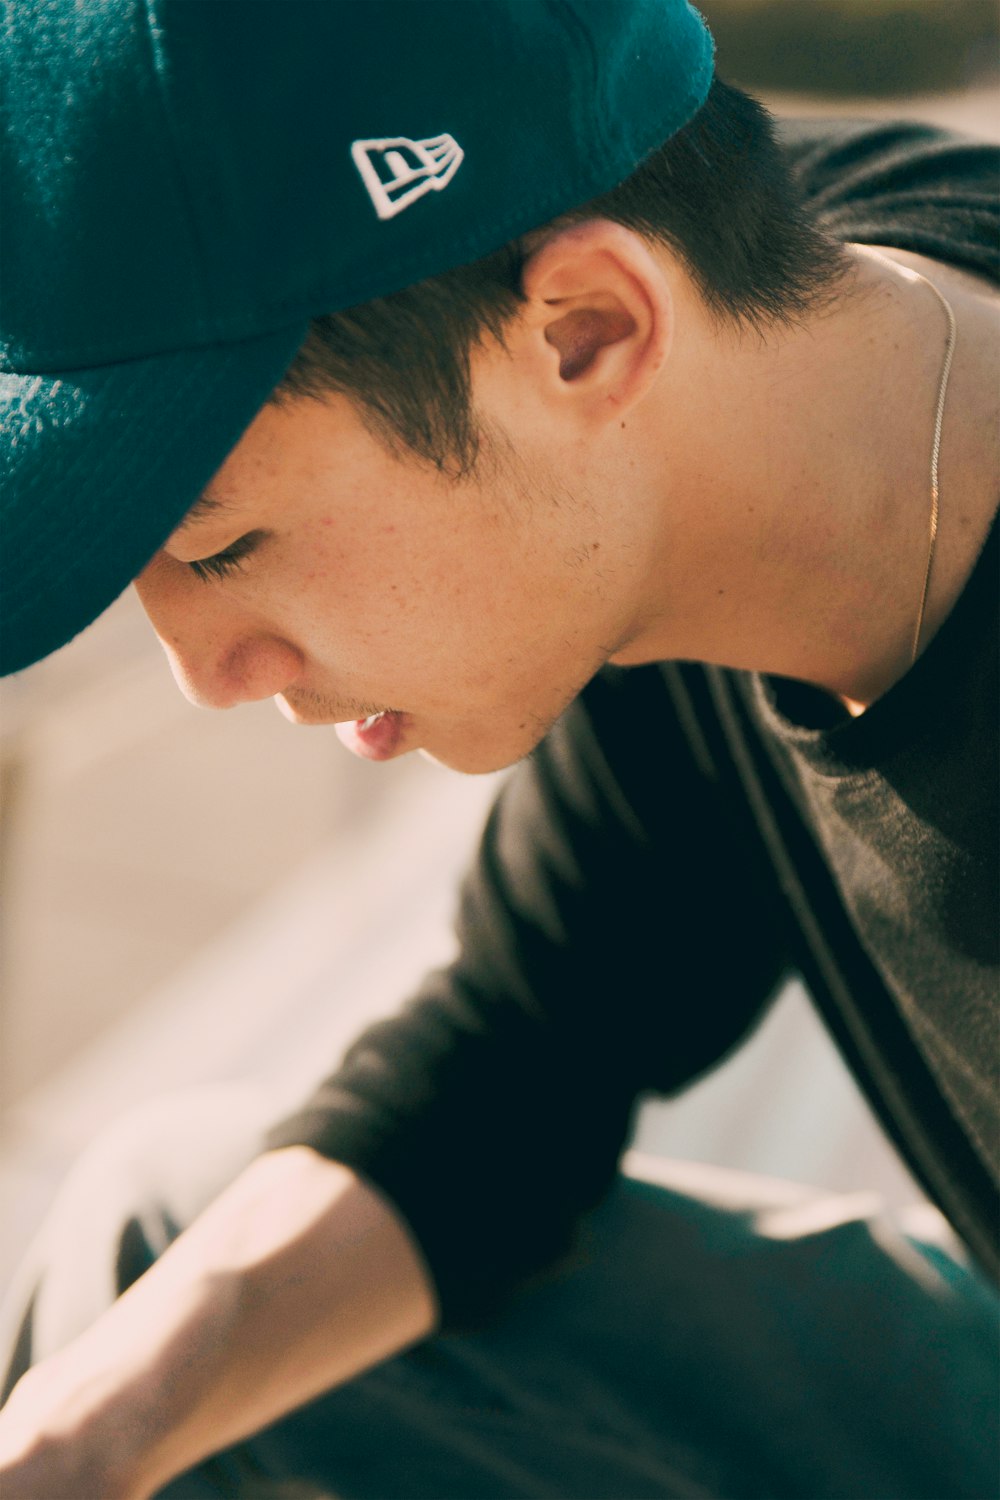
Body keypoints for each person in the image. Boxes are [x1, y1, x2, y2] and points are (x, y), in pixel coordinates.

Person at [0, 1, 997, 1496]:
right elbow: (539, 1046)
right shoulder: (757, 380)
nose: (206, 675)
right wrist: (79, 1447)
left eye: (229, 545)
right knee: (162, 1246)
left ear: (588, 332)